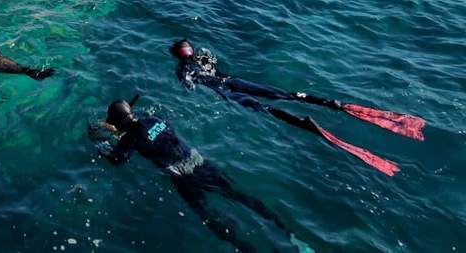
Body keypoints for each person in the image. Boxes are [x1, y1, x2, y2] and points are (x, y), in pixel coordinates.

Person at [90, 97, 315, 253]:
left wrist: (99, 141)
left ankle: (245, 247)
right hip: (200, 163)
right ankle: (291, 235)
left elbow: (118, 159)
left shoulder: (130, 140)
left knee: (206, 214)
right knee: (238, 196)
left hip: (183, 177)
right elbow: (146, 130)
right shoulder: (155, 119)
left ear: (116, 124)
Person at [169, 39, 426, 176]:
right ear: (188, 50)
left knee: (261, 107)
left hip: (222, 88)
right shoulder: (202, 56)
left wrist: (189, 85)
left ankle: (302, 122)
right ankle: (328, 103)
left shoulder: (183, 69)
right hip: (230, 80)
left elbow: (190, 86)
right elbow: (213, 60)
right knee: (280, 94)